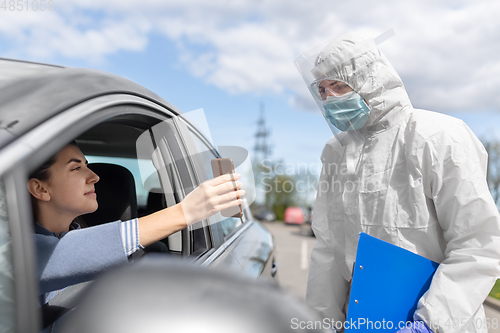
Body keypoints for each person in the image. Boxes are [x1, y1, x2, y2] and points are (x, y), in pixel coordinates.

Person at [295, 32, 500, 333]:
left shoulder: (437, 136)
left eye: (339, 85)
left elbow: (477, 243)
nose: (331, 99)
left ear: (371, 79)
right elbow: (328, 250)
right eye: (323, 91)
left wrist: (429, 324)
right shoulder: (336, 152)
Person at [28, 142, 244, 331]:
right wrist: (186, 212)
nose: (95, 176)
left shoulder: (90, 238)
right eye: (76, 168)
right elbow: (66, 253)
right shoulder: (17, 250)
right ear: (40, 188)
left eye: (87, 165)